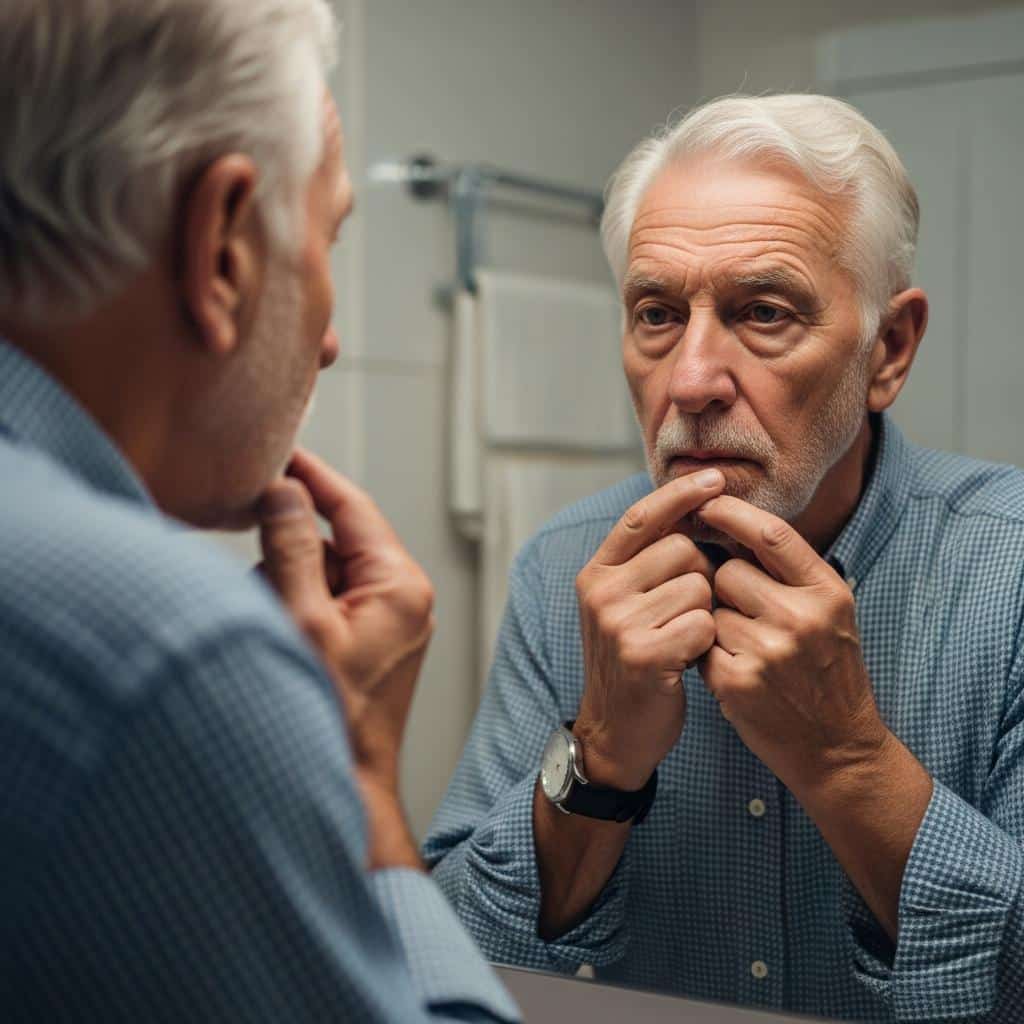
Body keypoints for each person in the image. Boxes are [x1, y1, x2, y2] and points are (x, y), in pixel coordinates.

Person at [424, 94, 1024, 1022]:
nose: (692, 382)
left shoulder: (1011, 571)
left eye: (765, 312)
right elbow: (452, 963)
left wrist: (848, 761)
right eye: (657, 313)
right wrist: (600, 760)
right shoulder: (561, 569)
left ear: (888, 350)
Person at [0, 2, 519, 1021]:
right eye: (324, 239)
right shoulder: (169, 654)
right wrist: (362, 766)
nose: (328, 344)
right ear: (224, 245)